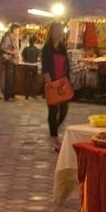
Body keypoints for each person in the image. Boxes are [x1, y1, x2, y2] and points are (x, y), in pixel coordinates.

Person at [42, 22, 71, 151]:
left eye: (59, 31)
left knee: (64, 110)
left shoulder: (62, 48)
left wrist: (67, 80)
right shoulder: (47, 48)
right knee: (53, 111)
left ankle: (54, 129)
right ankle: (54, 137)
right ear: (51, 33)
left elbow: (66, 65)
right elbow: (45, 67)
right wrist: (49, 82)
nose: (58, 34)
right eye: (55, 31)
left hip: (63, 82)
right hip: (52, 82)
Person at [0, 24, 21, 101]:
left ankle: (12, 95)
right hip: (9, 60)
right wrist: (12, 52)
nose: (19, 32)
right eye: (18, 30)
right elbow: (2, 48)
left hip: (14, 60)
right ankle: (7, 96)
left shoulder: (16, 38)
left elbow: (17, 49)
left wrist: (18, 55)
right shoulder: (7, 38)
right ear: (14, 30)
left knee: (14, 79)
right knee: (9, 78)